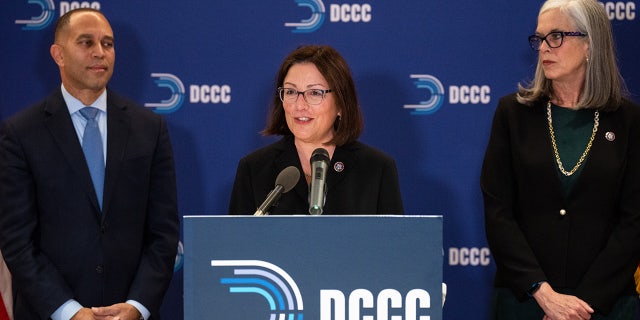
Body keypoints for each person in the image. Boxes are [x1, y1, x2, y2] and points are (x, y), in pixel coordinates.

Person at [0, 8, 179, 320]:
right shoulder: (20, 134)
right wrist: (69, 312)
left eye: (108, 44)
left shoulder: (150, 128)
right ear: (58, 54)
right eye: (86, 42)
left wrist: (137, 306)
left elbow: (164, 234)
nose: (100, 53)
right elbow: (17, 241)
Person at [481, 0, 640, 319]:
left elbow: (634, 221)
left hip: (603, 305)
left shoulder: (628, 121)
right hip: (526, 302)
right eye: (539, 38)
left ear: (589, 44)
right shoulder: (512, 114)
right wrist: (543, 293)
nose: (543, 48)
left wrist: (580, 304)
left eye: (556, 36)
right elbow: (498, 211)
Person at [228, 45, 403, 215]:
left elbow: (393, 242)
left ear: (341, 104)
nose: (299, 105)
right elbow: (236, 242)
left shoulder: (376, 169)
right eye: (291, 92)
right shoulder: (254, 169)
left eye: (315, 93)